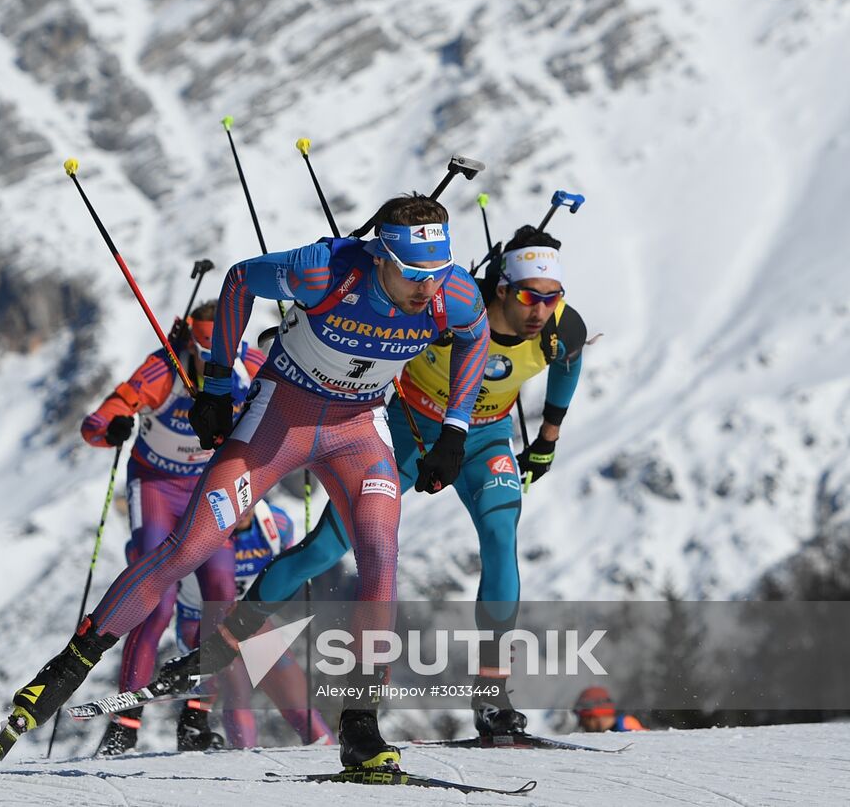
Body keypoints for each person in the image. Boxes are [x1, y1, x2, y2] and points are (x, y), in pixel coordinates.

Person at [0, 192, 489, 773]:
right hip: (280, 418)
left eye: (436, 272)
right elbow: (238, 281)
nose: (427, 288)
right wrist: (214, 385)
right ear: (381, 256)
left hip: (358, 429)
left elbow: (476, 337)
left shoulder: (454, 292)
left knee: (381, 558)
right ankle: (66, 668)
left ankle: (360, 728)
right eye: (412, 273)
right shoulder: (323, 271)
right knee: (188, 548)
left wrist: (455, 430)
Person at [159, 224, 585, 740]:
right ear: (502, 288)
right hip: (407, 431)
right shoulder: (448, 307)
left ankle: (492, 696)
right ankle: (222, 645)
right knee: (325, 549)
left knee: (500, 540)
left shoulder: (562, 328)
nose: (541, 311)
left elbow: (569, 364)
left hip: (483, 440)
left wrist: (547, 438)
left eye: (552, 298)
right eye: (529, 296)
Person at [79, 301, 265, 755]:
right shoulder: (163, 369)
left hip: (207, 486)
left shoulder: (251, 365)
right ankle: (124, 724)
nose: (213, 366)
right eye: (205, 355)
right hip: (156, 486)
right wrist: (112, 427)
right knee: (155, 601)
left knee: (220, 592)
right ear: (190, 346)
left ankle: (196, 717)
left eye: (222, 356)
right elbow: (97, 422)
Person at [173, 499, 334, 749]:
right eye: (235, 503)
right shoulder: (202, 527)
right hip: (200, 620)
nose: (243, 510)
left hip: (247, 620)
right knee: (236, 689)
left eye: (249, 501)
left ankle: (329, 754)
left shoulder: (277, 524)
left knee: (297, 699)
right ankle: (241, 756)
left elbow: (286, 573)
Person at [573, 686, 645, 732]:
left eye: (583, 719)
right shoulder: (624, 726)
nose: (581, 724)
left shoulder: (629, 729)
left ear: (592, 717)